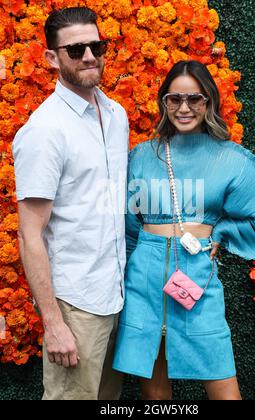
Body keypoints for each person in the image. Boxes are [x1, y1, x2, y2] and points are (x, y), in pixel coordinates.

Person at [112, 60, 255, 400]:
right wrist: (139, 262)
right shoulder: (141, 156)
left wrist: (222, 233)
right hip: (144, 280)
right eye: (174, 99)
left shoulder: (229, 158)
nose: (184, 108)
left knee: (223, 387)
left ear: (208, 101)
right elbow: (126, 225)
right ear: (163, 103)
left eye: (194, 99)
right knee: (154, 394)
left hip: (197, 276)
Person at [12, 7, 127, 400]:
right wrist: (54, 323)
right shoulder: (45, 131)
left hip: (116, 297)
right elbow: (30, 235)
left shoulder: (117, 115)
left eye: (97, 46)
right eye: (76, 50)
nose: (90, 56)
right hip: (76, 305)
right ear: (51, 58)